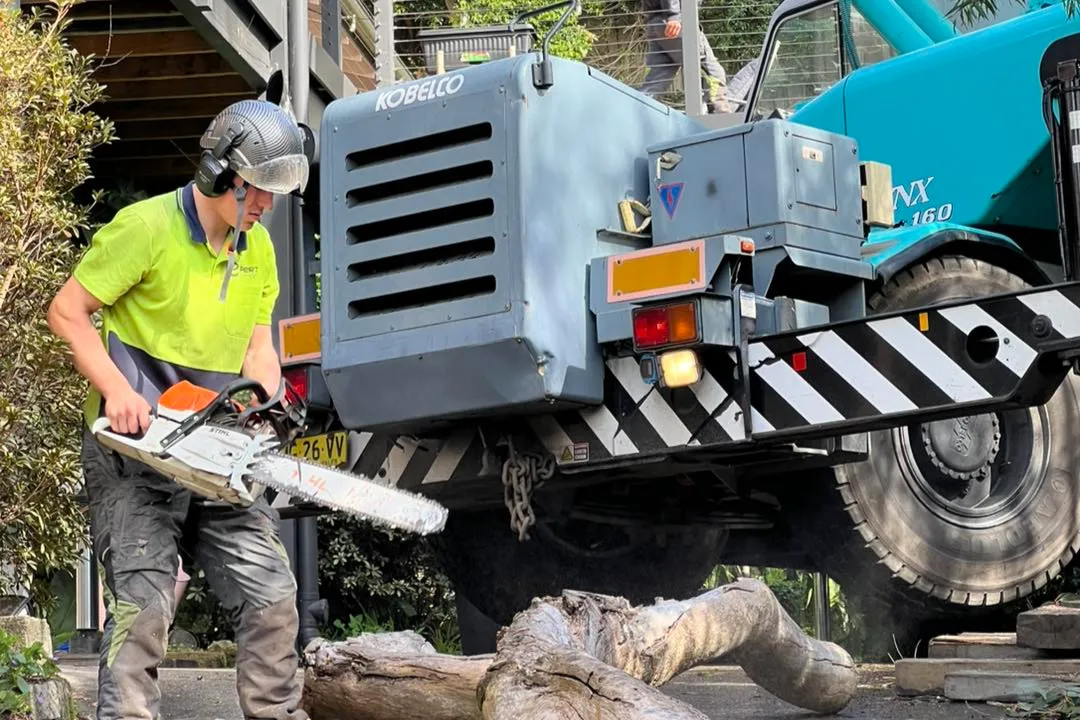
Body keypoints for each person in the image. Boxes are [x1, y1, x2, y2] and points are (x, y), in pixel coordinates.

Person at [48, 98, 313, 720]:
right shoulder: (145, 228)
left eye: (272, 195)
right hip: (136, 449)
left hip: (215, 448)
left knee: (273, 594)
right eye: (255, 191)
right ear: (221, 173)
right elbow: (67, 311)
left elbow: (257, 347)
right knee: (145, 605)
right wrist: (118, 389)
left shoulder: (258, 250)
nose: (263, 206)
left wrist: (266, 406)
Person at [638, 0, 735, 113]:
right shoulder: (674, 16)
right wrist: (674, 15)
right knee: (713, 73)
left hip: (656, 22)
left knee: (656, 81)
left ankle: (632, 114)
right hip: (675, 22)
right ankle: (723, 119)